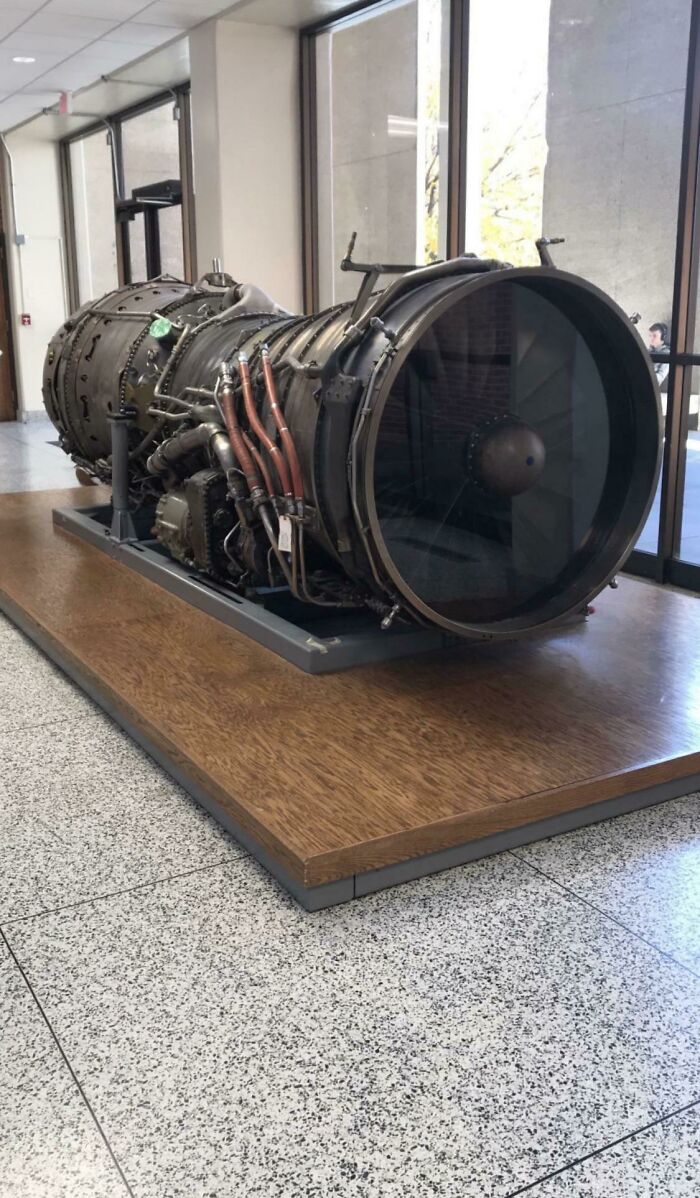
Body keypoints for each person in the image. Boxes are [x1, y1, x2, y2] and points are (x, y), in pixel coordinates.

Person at [648, 321, 670, 386]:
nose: (651, 339)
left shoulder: (666, 354)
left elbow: (660, 376)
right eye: (650, 336)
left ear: (662, 337)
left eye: (655, 336)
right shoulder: (648, 351)